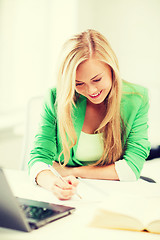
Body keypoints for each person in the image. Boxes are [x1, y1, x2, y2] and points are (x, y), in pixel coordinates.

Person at [28, 29, 150, 200]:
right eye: (78, 83)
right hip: (68, 197)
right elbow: (38, 161)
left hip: (114, 197)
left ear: (111, 68)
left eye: (97, 79)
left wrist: (72, 172)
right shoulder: (56, 97)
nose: (91, 91)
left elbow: (131, 169)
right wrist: (53, 184)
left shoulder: (137, 99)